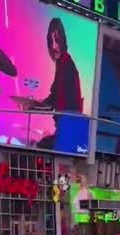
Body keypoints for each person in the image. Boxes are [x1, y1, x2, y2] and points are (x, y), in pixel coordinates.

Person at [36, 18, 84, 151]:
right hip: (66, 130)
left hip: (68, 133)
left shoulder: (67, 66)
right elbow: (55, 98)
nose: (54, 47)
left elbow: (56, 100)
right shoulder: (63, 63)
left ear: (63, 41)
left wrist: (35, 105)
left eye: (57, 41)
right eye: (51, 41)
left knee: (39, 147)